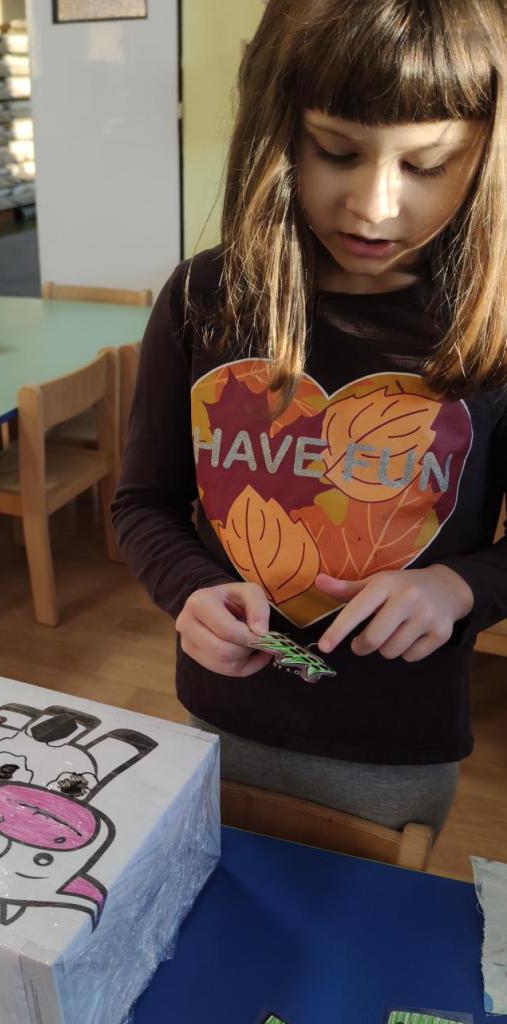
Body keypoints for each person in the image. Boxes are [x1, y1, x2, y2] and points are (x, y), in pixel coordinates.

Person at [112, 0, 507, 838]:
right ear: (279, 129)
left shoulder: (494, 326)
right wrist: (190, 589)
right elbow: (142, 503)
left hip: (395, 751)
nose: (372, 208)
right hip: (220, 717)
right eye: (335, 151)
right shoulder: (202, 298)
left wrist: (458, 586)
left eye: (427, 163)